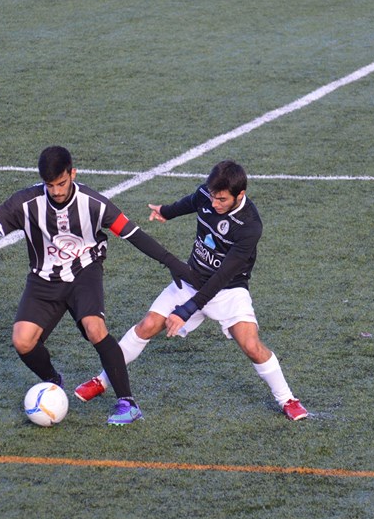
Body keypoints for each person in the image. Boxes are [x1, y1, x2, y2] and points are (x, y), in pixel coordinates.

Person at [0, 146, 190, 425]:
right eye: (50, 185)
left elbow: (133, 233)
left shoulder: (94, 203)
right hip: (43, 279)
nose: (56, 191)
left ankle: (128, 403)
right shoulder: (26, 203)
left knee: (95, 328)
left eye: (61, 183)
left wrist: (170, 262)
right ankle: (53, 381)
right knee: (22, 341)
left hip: (84, 273)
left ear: (72, 173)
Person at [74, 160, 309, 421]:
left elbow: (222, 276)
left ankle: (287, 399)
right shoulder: (207, 194)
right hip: (191, 279)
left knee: (251, 345)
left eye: (222, 200)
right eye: (212, 196)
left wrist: (186, 310)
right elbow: (192, 201)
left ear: (240, 194)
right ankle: (102, 380)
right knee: (147, 325)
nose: (214, 203)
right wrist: (166, 211)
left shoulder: (250, 226)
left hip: (228, 290)